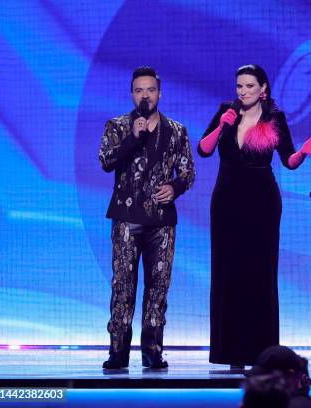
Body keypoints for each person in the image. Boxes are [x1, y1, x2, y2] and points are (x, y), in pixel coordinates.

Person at [198, 64, 311, 367]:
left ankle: (260, 351)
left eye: (249, 86)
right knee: (228, 272)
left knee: (259, 273)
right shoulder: (225, 112)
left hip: (262, 202)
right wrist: (221, 126)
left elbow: (288, 161)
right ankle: (230, 352)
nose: (243, 92)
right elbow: (203, 149)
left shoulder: (274, 119)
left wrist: (304, 151)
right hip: (227, 199)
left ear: (263, 89)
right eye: (239, 86)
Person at [98, 66, 194, 369]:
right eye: (139, 90)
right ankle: (118, 350)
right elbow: (105, 161)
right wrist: (132, 138)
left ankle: (152, 348)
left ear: (159, 93)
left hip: (162, 220)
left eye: (150, 89)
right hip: (127, 217)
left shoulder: (176, 130)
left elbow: (188, 171)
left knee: (158, 285)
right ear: (132, 94)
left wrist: (174, 186)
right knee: (123, 284)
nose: (145, 95)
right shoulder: (118, 126)